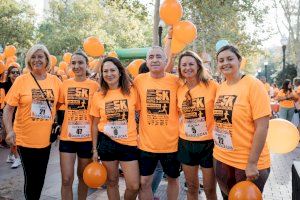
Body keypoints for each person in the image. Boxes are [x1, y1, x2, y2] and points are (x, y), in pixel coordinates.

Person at [3, 44, 62, 200]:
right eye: (33, 57)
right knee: (31, 178)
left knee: (40, 177)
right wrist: (9, 131)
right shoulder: (21, 80)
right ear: (29, 60)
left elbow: (62, 105)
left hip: (45, 140)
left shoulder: (55, 81)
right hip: (25, 138)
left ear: (47, 59)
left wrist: (60, 125)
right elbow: (8, 109)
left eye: (40, 56)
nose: (37, 60)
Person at [214, 45, 271, 199]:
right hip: (222, 159)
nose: (225, 63)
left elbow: (262, 127)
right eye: (221, 60)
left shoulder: (254, 85)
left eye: (230, 59)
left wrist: (252, 163)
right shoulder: (221, 87)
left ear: (239, 61)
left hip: (247, 164)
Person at [134, 46, 181, 200]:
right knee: (144, 181)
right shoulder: (139, 80)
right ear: (147, 61)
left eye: (159, 56)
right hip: (146, 144)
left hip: (171, 144)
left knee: (173, 179)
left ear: (165, 61)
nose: (155, 60)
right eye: (151, 57)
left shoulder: (176, 81)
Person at [90, 57, 140, 200]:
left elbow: (140, 115)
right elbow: (94, 124)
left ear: (120, 72)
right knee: (112, 182)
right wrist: (94, 150)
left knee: (133, 186)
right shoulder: (98, 96)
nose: (109, 74)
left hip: (129, 143)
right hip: (107, 143)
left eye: (112, 70)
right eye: (105, 71)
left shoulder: (132, 91)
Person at [58, 49, 99, 200]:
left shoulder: (95, 86)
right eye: (73, 63)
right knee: (66, 180)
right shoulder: (65, 84)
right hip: (67, 138)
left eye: (80, 62)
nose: (77, 66)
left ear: (87, 64)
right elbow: (59, 106)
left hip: (87, 140)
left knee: (83, 177)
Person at [176, 50, 217, 200]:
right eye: (184, 65)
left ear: (198, 66)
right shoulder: (179, 90)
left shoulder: (212, 86)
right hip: (186, 143)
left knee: (210, 188)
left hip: (209, 143)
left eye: (191, 64)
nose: (187, 67)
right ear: (180, 69)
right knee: (192, 187)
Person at [2, 65, 22, 168]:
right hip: (8, 115)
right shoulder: (6, 85)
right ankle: (17, 158)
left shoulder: (22, 84)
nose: (15, 74)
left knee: (16, 138)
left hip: (20, 115)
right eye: (13, 72)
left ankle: (10, 156)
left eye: (17, 72)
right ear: (9, 74)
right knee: (12, 137)